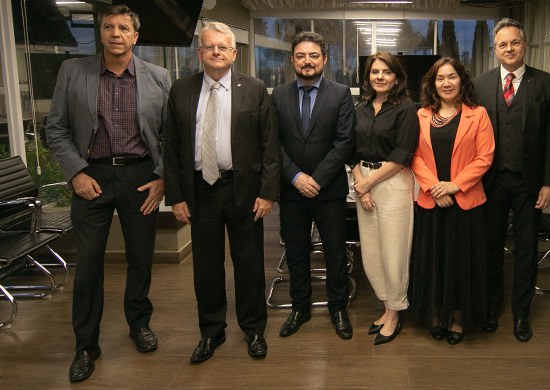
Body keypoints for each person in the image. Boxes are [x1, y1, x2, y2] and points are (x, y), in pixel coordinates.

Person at [45, 5, 170, 382]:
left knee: (141, 259)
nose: (116, 33)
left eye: (123, 28)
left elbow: (170, 135)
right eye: (108, 27)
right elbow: (56, 129)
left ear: (135, 35)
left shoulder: (158, 77)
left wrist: (162, 175)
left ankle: (139, 323)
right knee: (88, 266)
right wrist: (76, 173)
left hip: (140, 177)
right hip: (92, 177)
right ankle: (86, 345)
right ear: (101, 33)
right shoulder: (73, 72)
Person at [163, 22, 280, 363]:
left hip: (243, 190)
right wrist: (177, 196)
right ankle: (211, 332)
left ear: (233, 53)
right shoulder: (181, 89)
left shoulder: (254, 88)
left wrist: (267, 193)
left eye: (222, 47)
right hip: (200, 192)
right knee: (207, 268)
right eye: (209, 46)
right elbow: (171, 147)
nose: (216, 52)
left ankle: (254, 328)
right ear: (199, 53)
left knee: (249, 263)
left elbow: (269, 144)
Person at [473, 18, 550, 342]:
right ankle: (490, 308)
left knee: (527, 250)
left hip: (531, 184)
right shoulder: (480, 85)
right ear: (494, 49)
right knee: (489, 248)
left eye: (514, 43)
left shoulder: (547, 84)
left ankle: (522, 313)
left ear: (525, 46)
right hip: (490, 182)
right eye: (502, 44)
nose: (509, 48)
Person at [273, 31, 356, 340]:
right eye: (300, 56)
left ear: (325, 59)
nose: (307, 62)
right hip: (292, 192)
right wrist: (296, 177)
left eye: (313, 56)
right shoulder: (279, 95)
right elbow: (273, 142)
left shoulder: (341, 93)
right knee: (296, 253)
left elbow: (344, 142)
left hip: (329, 191)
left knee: (335, 252)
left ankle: (338, 307)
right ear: (292, 60)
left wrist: (316, 179)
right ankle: (300, 307)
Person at [409, 57, 495, 345]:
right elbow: (414, 156)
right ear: (432, 84)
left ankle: (458, 318)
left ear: (462, 81)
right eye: (440, 78)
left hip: (465, 201)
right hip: (431, 202)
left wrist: (454, 186)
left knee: (461, 263)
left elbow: (485, 157)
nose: (446, 83)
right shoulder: (420, 115)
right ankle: (435, 315)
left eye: (452, 77)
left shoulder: (478, 114)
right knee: (433, 262)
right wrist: (436, 188)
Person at [350, 52, 419, 345]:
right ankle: (385, 303)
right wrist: (359, 184)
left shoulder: (406, 109)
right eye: (374, 72)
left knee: (394, 253)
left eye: (386, 72)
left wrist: (367, 185)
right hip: (362, 180)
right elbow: (350, 150)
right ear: (368, 77)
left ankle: (394, 312)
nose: (380, 77)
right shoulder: (360, 108)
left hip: (391, 183)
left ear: (396, 77)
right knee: (372, 254)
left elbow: (403, 154)